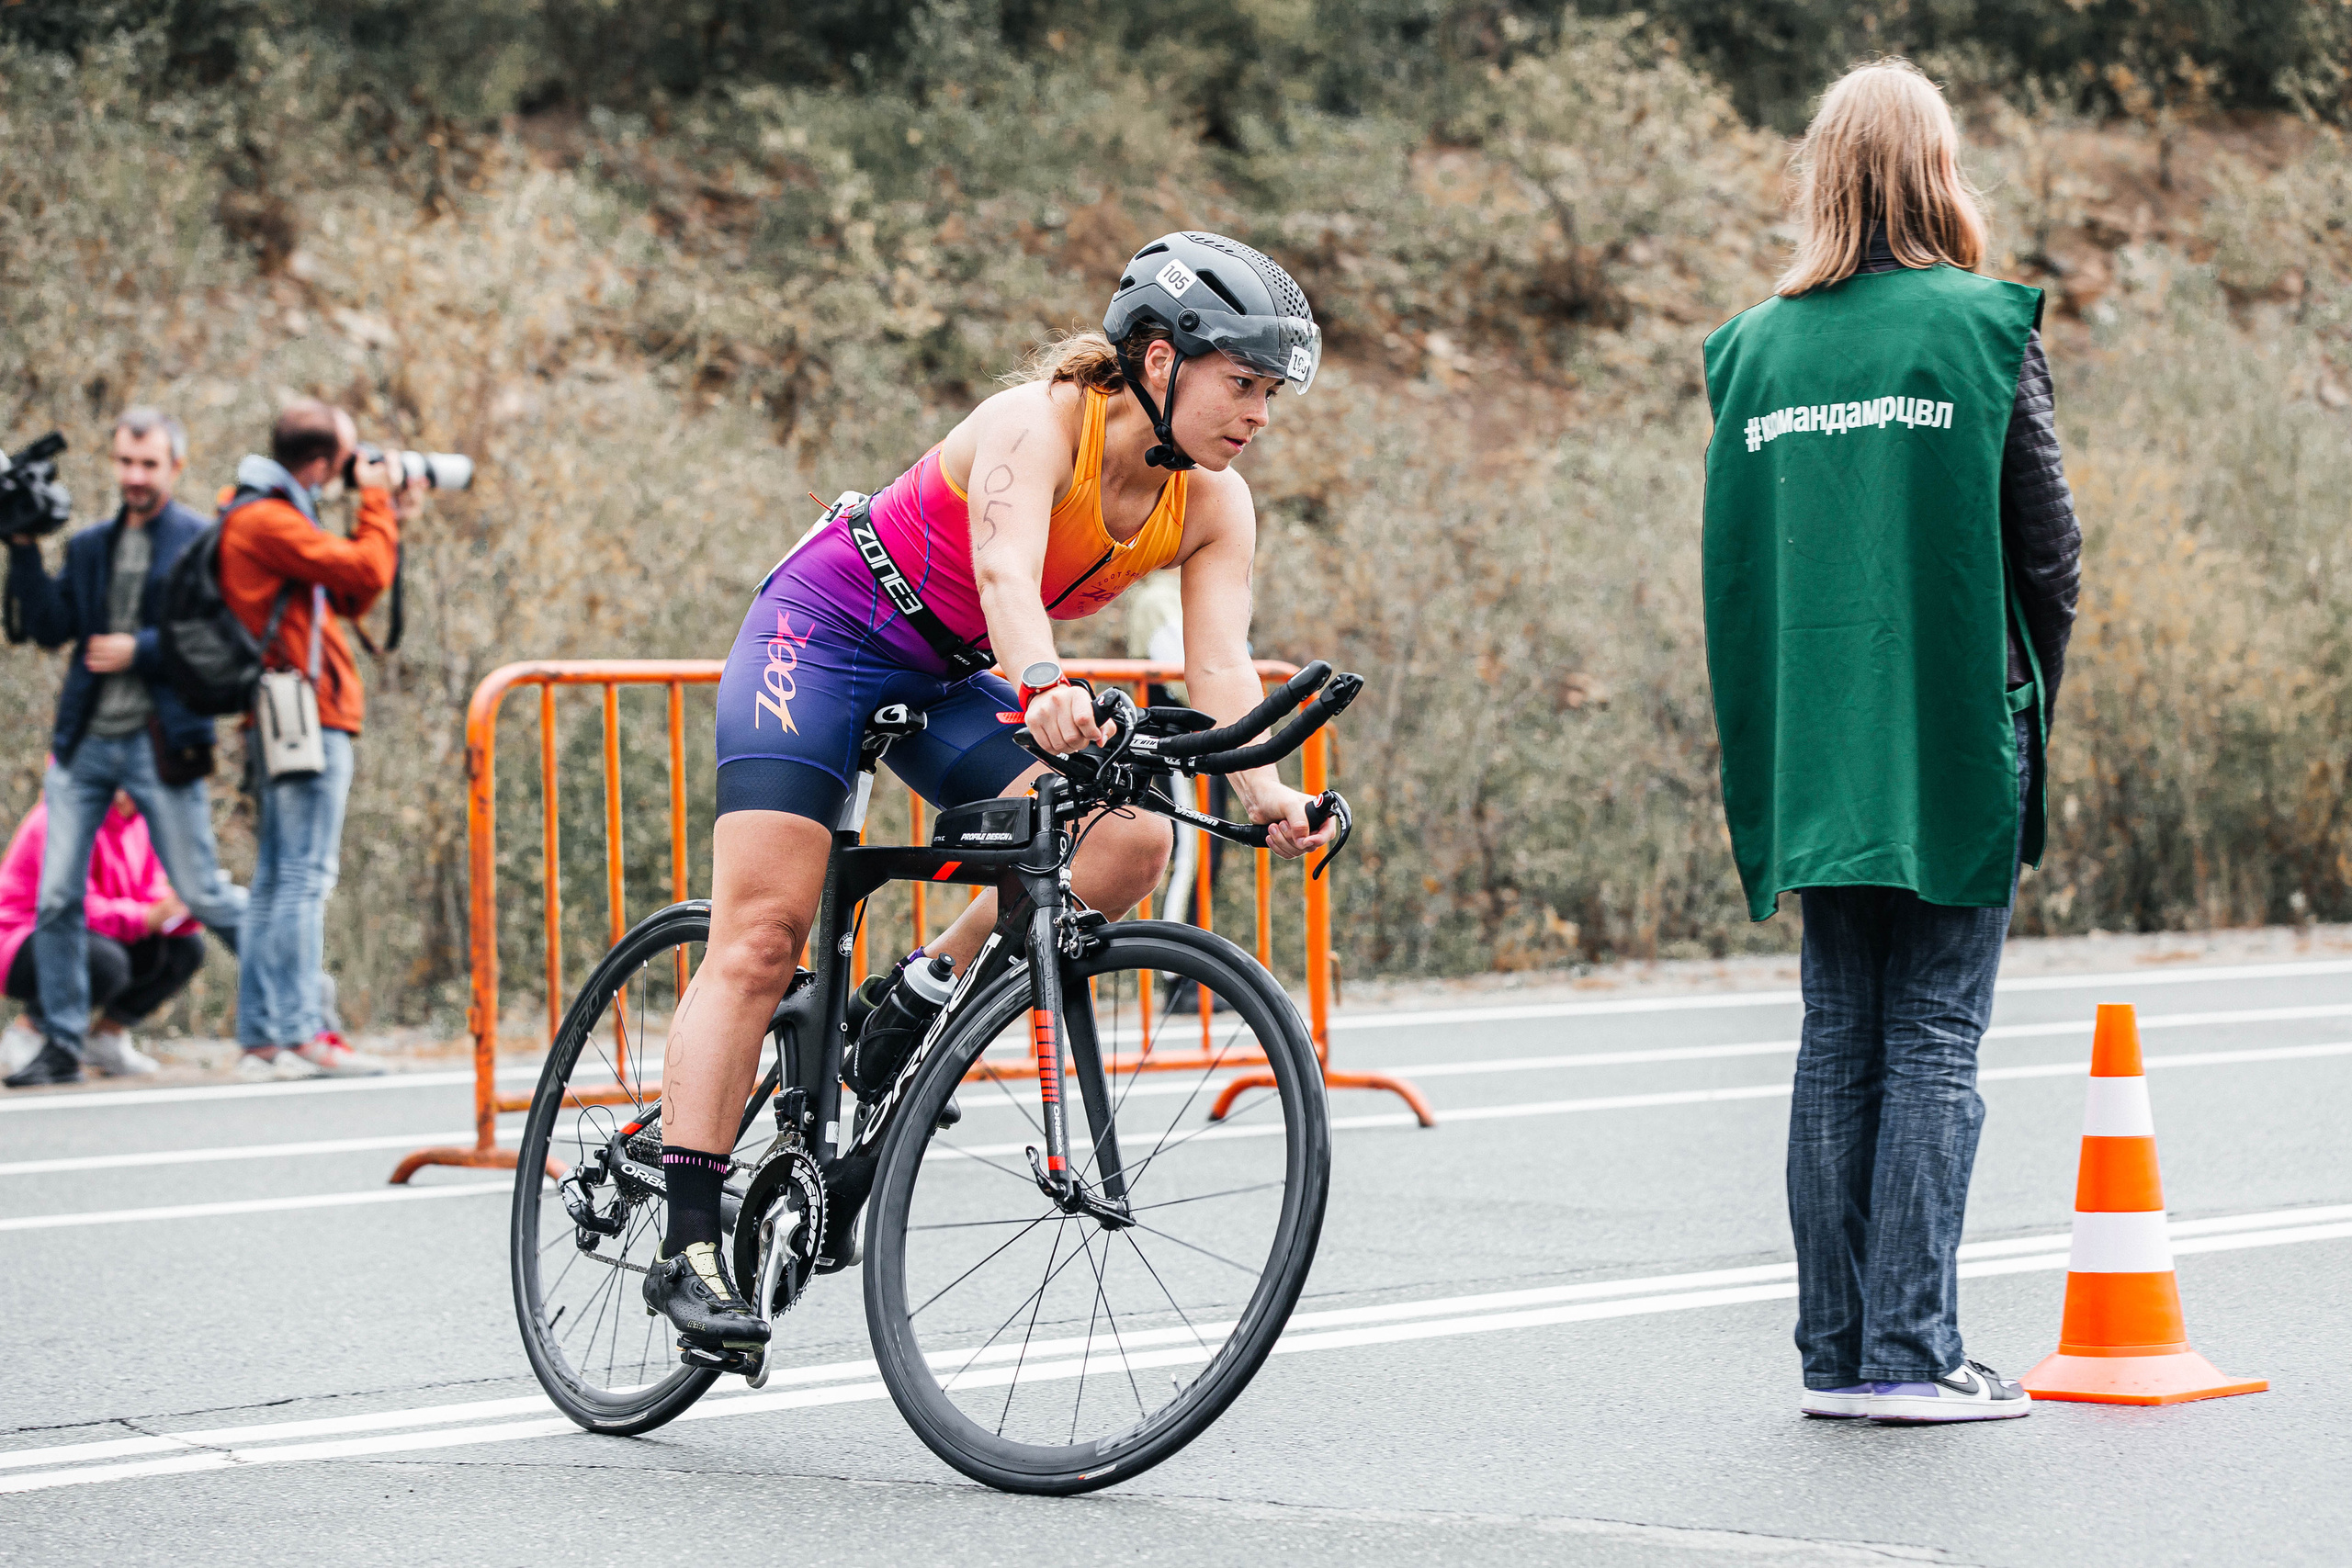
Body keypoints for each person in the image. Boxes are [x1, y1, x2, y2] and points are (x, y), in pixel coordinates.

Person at [645, 231, 1336, 1360]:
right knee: (763, 938)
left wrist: (1267, 791)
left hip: (945, 676)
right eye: (1242, 383)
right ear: (1159, 362)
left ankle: (912, 995)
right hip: (820, 638)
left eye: (1270, 392)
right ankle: (687, 1246)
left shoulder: (1215, 502)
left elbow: (1220, 666)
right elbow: (1008, 570)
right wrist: (1047, 683)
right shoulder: (1037, 422)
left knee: (1124, 843)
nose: (1258, 413)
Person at [1700, 60, 2079, 1425]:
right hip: (1950, 732)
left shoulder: (1751, 351)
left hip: (1813, 742)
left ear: (1822, 172)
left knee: (1836, 1033)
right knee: (1931, 1035)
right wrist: (2024, 696)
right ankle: (1915, 1351)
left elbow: (1744, 571)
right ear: (1939, 169)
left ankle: (1840, 1353)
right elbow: (2052, 551)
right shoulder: (1982, 329)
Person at [1, 408, 248, 1088]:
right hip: (84, 749)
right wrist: (20, 545)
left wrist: (139, 649)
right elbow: (49, 626)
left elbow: (226, 643)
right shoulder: (87, 547)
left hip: (160, 748)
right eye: (125, 462)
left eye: (148, 464)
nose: (134, 476)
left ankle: (293, 1013)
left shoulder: (202, 541)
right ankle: (61, 1042)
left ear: (175, 467)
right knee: (56, 898)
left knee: (201, 889)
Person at [216, 400, 419, 1080]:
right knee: (302, 877)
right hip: (306, 716)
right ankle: (299, 1031)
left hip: (285, 712)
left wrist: (389, 517)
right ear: (326, 460)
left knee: (279, 877)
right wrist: (376, 505)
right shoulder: (267, 517)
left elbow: (346, 597)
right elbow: (365, 573)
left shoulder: (271, 513)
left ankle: (265, 1036)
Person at [0, 793, 206, 1081]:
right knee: (106, 962)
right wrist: (146, 918)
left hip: (96, 933)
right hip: (21, 939)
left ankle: (106, 1039)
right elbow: (75, 907)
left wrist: (180, 913)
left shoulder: (138, 825)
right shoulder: (59, 818)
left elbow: (150, 892)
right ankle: (27, 1033)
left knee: (185, 947)